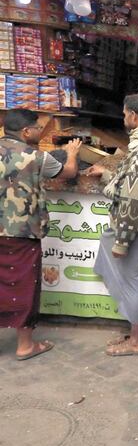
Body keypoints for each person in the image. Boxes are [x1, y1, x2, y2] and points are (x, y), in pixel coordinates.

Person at [85, 94, 138, 357]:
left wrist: (122, 241)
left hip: (134, 227)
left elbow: (134, 200)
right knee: (132, 279)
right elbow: (134, 185)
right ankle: (134, 333)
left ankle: (137, 341)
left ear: (134, 116)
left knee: (133, 281)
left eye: (125, 114)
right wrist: (108, 175)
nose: (124, 118)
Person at [0, 109, 81, 360]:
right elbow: (69, 172)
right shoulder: (36, 157)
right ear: (26, 132)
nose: (40, 131)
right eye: (37, 128)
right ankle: (25, 345)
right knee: (25, 285)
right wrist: (71, 153)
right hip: (23, 232)